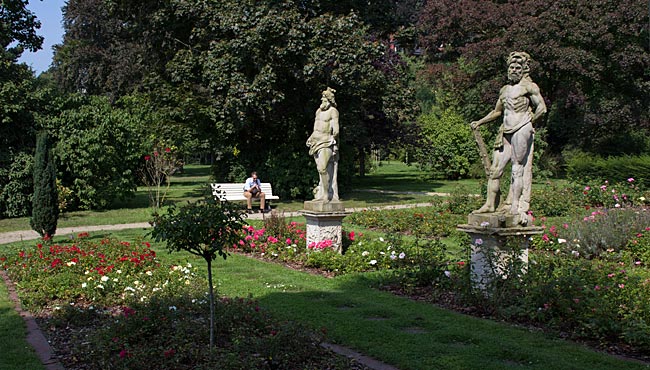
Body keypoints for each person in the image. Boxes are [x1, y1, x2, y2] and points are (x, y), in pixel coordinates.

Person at [470, 51, 547, 224]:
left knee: (517, 168)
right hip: (505, 130)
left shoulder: (529, 87)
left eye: (517, 68)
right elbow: (497, 111)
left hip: (521, 128)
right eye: (511, 67)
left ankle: (515, 206)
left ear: (523, 70)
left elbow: (541, 108)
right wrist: (480, 122)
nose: (513, 70)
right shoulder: (504, 90)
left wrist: (528, 122)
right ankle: (490, 204)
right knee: (495, 170)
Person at [306, 87, 339, 202]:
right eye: (322, 100)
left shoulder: (333, 111)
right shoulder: (318, 111)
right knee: (320, 170)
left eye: (324, 100)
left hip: (326, 142)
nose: (322, 102)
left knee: (322, 168)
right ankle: (321, 194)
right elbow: (316, 127)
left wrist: (334, 136)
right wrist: (311, 137)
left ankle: (326, 195)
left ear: (330, 101)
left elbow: (336, 130)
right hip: (315, 142)